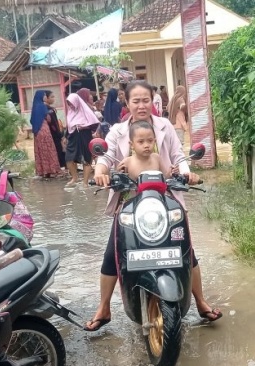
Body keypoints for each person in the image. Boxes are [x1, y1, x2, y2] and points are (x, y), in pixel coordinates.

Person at [84, 80, 222, 332]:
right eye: (135, 101)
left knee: (185, 249)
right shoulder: (116, 131)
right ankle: (104, 307)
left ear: (152, 100)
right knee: (113, 254)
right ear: (126, 102)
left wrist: (187, 173)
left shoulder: (165, 126)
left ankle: (200, 301)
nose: (141, 105)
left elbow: (179, 157)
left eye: (145, 100)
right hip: (129, 202)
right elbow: (105, 157)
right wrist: (102, 172)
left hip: (163, 200)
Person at [65, 93, 99, 187]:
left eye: (71, 103)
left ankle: (85, 182)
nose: (71, 105)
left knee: (86, 159)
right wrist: (66, 136)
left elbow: (95, 124)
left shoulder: (85, 111)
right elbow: (69, 126)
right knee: (69, 158)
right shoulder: (70, 112)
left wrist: (84, 127)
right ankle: (74, 178)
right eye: (69, 103)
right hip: (73, 137)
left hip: (84, 137)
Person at [30, 90, 62, 178]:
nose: (45, 97)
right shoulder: (43, 106)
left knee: (40, 150)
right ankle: (52, 169)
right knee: (49, 149)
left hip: (37, 132)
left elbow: (32, 120)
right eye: (44, 96)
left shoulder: (35, 106)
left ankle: (43, 171)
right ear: (41, 97)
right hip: (44, 130)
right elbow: (48, 119)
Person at [44, 91, 66, 169]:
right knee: (58, 149)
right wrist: (59, 134)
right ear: (46, 98)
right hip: (54, 133)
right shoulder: (49, 110)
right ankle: (61, 165)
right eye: (52, 97)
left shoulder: (47, 108)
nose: (54, 99)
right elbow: (53, 124)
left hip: (49, 132)